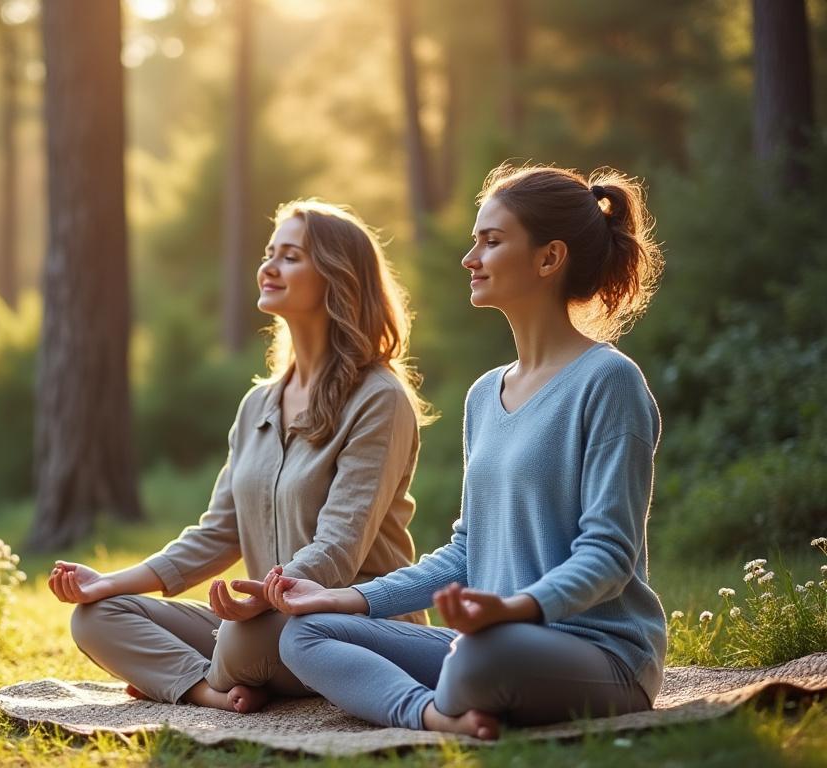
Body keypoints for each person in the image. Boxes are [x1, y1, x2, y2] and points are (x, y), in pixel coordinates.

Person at [256, 164, 667, 740]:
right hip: (488, 637)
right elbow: (466, 552)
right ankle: (431, 714)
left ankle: (437, 695)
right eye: (474, 241)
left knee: (473, 660)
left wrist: (512, 610)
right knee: (305, 632)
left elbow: (608, 556)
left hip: (597, 654)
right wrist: (344, 596)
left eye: (491, 242)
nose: (469, 259)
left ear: (549, 259)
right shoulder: (484, 395)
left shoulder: (609, 383)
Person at [47, 199, 432, 713]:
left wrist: (261, 601)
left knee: (241, 640)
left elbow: (339, 549)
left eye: (290, 256)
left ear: (338, 278)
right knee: (97, 617)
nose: (268, 267)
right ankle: (214, 691)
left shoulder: (380, 399)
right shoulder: (259, 404)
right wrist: (111, 582)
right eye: (269, 252)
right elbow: (218, 533)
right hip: (262, 615)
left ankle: (201, 677)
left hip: (347, 621)